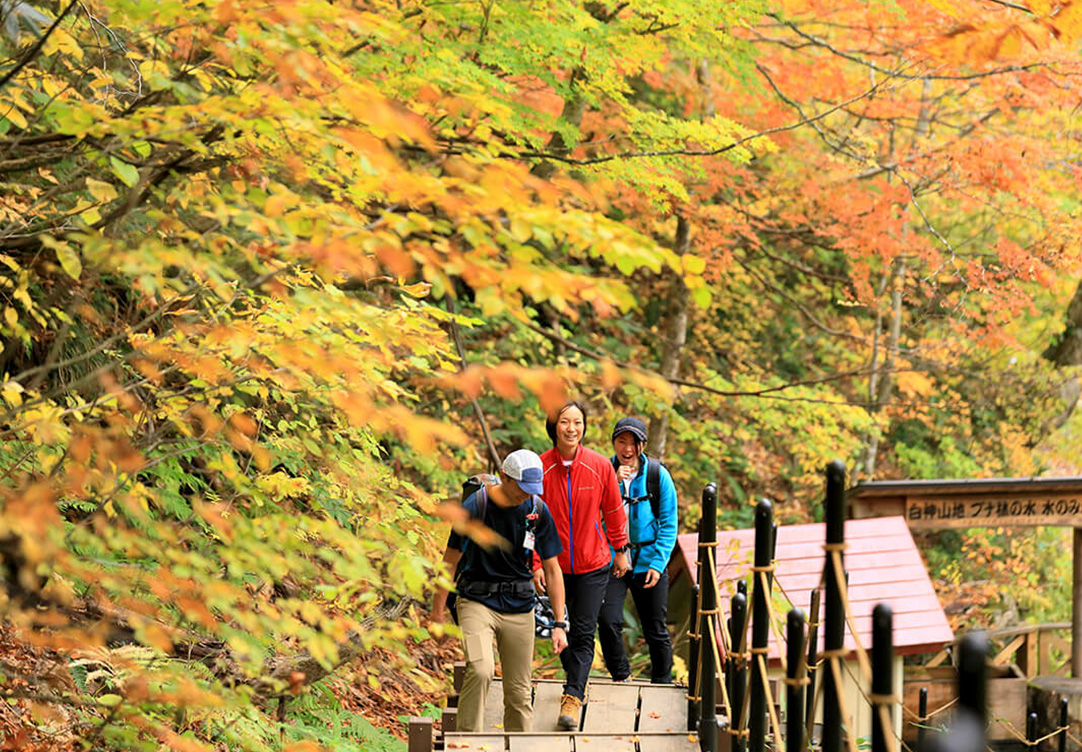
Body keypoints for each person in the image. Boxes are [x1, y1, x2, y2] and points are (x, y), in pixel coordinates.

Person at [432, 449, 567, 733]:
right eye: (522, 487)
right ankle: (467, 742)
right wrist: (437, 614)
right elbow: (449, 564)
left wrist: (559, 624)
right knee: (481, 670)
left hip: (519, 605)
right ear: (504, 477)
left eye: (532, 489)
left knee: (518, 692)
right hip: (476, 600)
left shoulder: (537, 510)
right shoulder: (474, 507)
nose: (526, 494)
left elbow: (553, 571)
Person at [535, 401, 629, 731]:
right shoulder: (541, 468)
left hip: (593, 564)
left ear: (584, 427)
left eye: (577, 422)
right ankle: (577, 678)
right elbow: (530, 520)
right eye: (564, 422)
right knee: (561, 629)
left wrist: (620, 549)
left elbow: (614, 510)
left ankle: (572, 697)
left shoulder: (600, 466)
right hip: (554, 566)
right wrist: (535, 564)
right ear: (553, 426)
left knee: (585, 631)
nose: (571, 428)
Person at [597, 417, 678, 684]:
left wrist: (658, 563)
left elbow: (669, 523)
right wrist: (612, 484)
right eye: (622, 441)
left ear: (642, 445)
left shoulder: (657, 475)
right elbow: (591, 518)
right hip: (612, 559)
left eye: (634, 442)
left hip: (649, 561)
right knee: (608, 621)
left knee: (655, 627)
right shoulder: (603, 471)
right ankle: (621, 676)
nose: (627, 448)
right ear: (614, 443)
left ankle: (662, 683)